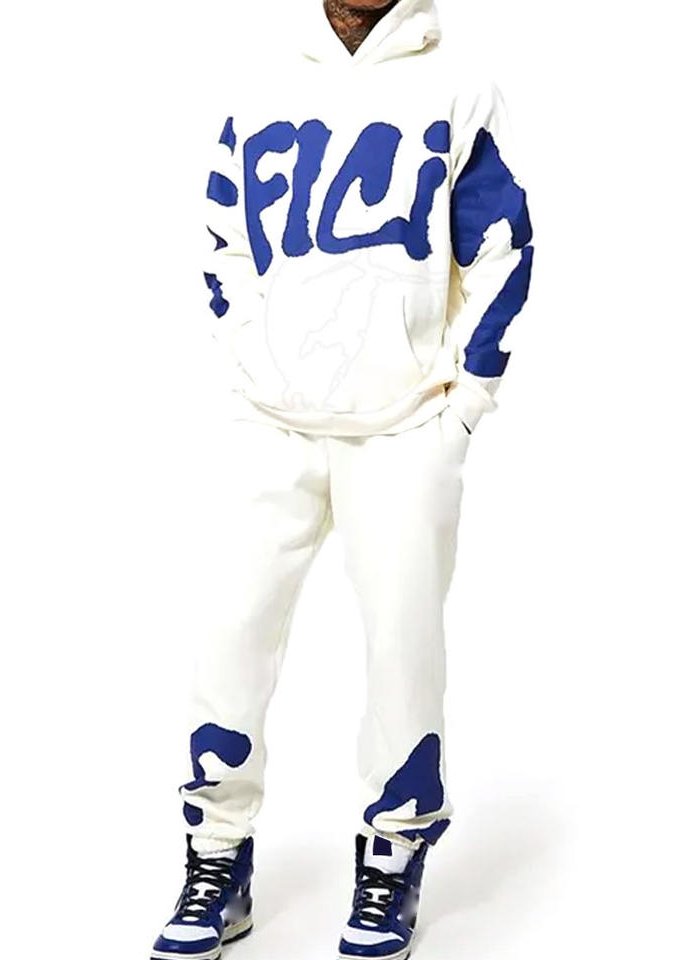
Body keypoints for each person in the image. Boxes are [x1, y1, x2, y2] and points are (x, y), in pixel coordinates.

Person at [150, 1, 534, 958]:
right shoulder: (258, 82)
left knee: (403, 646)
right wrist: (254, 361)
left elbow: (504, 245)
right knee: (228, 634)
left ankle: (393, 856)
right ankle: (216, 855)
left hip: (404, 429)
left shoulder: (459, 87)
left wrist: (465, 402)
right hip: (269, 421)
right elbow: (222, 239)